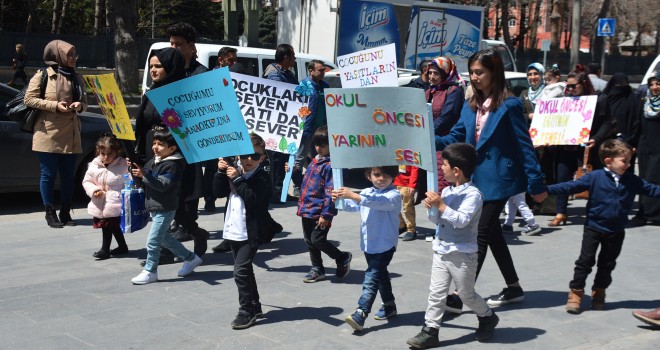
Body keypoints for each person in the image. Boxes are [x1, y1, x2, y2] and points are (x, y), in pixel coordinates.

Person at [434, 49, 547, 313]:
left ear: (494, 73)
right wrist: (427, 139)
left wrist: (536, 183)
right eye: (471, 72)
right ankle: (514, 286)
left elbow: (524, 146)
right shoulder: (470, 104)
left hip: (500, 179)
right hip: (475, 179)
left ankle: (461, 294)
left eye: (479, 72)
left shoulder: (510, 105)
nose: (474, 77)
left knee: (481, 232)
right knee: (493, 234)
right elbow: (456, 137)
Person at [546, 139, 660, 314]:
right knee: (585, 262)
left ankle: (599, 292)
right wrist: (545, 190)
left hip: (616, 231)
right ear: (608, 161)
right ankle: (576, 292)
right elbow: (571, 186)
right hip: (594, 228)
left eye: (630, 161)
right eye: (625, 161)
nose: (628, 165)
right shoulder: (595, 177)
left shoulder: (631, 180)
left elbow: (651, 189)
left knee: (607, 264)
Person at [406, 143, 499, 349]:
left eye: (444, 165)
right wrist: (432, 208)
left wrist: (441, 205)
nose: (441, 168)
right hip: (441, 249)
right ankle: (430, 330)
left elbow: (461, 220)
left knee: (466, 294)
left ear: (456, 171)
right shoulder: (446, 190)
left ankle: (487, 316)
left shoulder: (473, 195)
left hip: (463, 254)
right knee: (436, 292)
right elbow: (437, 221)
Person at [24, 40, 87, 228]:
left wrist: (80, 106)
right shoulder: (43, 75)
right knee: (48, 174)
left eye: (75, 54)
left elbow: (84, 101)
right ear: (58, 55)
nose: (74, 58)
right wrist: (54, 106)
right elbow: (30, 99)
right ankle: (50, 212)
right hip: (48, 132)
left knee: (68, 175)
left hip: (71, 132)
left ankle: (66, 211)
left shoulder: (77, 77)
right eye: (70, 54)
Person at [213, 133, 273, 329]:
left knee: (240, 271)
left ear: (262, 158)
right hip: (234, 228)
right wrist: (221, 173)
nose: (249, 160)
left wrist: (238, 180)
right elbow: (217, 192)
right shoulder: (234, 170)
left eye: (255, 156)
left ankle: (245, 310)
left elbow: (254, 200)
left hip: (252, 231)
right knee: (245, 270)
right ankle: (255, 306)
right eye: (246, 154)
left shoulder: (262, 177)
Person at [129, 128, 203, 285]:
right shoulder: (157, 160)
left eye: (160, 144)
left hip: (165, 208)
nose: (155, 147)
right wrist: (135, 169)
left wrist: (145, 175)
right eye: (154, 143)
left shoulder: (172, 165)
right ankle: (191, 258)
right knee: (165, 239)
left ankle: (150, 271)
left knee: (153, 240)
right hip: (155, 206)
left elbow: (163, 185)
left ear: (172, 148)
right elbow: (144, 179)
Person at [332, 166, 402, 332]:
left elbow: (378, 203)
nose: (381, 178)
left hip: (385, 244)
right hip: (369, 243)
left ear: (393, 176)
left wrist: (354, 196)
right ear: (369, 176)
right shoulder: (366, 192)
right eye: (377, 174)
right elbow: (351, 206)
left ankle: (361, 312)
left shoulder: (394, 195)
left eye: (386, 175)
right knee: (381, 276)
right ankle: (389, 306)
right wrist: (338, 198)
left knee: (371, 277)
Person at [166, 22, 211, 254]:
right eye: (171, 43)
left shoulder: (201, 73)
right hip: (168, 141)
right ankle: (177, 222)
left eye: (179, 44)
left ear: (192, 46)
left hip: (192, 142)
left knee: (190, 185)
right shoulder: (167, 71)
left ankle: (187, 223)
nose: (174, 47)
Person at [297, 126, 352, 282]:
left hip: (320, 210)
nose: (318, 148)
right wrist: (293, 171)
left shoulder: (331, 166)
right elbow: (305, 183)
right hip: (306, 208)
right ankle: (317, 268)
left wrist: (326, 214)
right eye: (316, 144)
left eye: (322, 145)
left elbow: (331, 192)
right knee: (310, 242)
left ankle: (341, 257)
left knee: (317, 239)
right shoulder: (315, 161)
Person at [547, 64, 596, 227]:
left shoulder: (594, 101)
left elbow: (607, 123)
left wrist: (596, 138)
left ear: (583, 84)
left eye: (573, 86)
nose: (571, 89)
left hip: (584, 150)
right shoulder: (564, 102)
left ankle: (593, 212)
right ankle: (561, 212)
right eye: (568, 86)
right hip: (565, 148)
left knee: (590, 182)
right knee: (562, 180)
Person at [423, 56, 465, 242]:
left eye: (436, 73)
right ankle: (439, 226)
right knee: (433, 186)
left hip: (445, 145)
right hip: (430, 143)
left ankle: (444, 228)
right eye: (429, 73)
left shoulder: (453, 91)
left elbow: (446, 118)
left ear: (445, 73)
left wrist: (427, 132)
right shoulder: (430, 91)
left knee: (444, 186)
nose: (431, 76)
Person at [82, 134, 130, 260]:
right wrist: (94, 190)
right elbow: (87, 181)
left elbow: (129, 181)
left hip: (115, 201)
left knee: (107, 226)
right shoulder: (95, 164)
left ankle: (105, 249)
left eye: (110, 153)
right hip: (100, 200)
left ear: (117, 152)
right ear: (99, 151)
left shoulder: (123, 165)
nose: (106, 157)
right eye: (103, 153)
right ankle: (122, 246)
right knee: (112, 226)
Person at [263, 43, 298, 201]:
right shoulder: (274, 74)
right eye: (292, 56)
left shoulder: (286, 73)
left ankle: (282, 191)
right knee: (277, 160)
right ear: (285, 58)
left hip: (287, 122)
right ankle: (276, 192)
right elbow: (281, 94)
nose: (294, 59)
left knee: (285, 158)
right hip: (276, 124)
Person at [292, 60, 329, 198]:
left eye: (324, 70)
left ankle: (316, 185)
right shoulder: (303, 85)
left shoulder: (325, 86)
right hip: (305, 128)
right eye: (320, 70)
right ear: (311, 71)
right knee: (299, 158)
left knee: (318, 158)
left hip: (320, 129)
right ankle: (297, 186)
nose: (323, 73)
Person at [591, 73, 641, 170]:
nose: (621, 87)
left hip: (625, 144)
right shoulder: (604, 99)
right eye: (618, 84)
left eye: (624, 84)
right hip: (605, 143)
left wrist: (633, 144)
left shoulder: (634, 102)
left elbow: (637, 124)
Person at [632, 72, 660, 226]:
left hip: (658, 148)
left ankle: (655, 213)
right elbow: (638, 124)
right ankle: (643, 211)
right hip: (645, 146)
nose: (655, 87)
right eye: (652, 84)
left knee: (655, 179)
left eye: (658, 84)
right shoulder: (646, 102)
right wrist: (634, 144)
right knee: (643, 178)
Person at [394, 165, 420, 241]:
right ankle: (402, 225)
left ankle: (411, 230)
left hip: (407, 184)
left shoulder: (411, 153)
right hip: (394, 182)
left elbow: (415, 168)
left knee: (408, 208)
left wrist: (412, 185)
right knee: (393, 207)